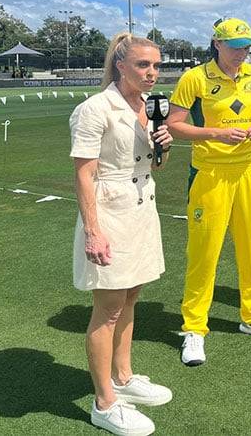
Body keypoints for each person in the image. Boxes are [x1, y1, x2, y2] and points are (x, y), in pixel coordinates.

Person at [167, 18, 251, 367]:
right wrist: (215, 134)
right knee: (205, 252)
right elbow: (175, 126)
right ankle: (194, 327)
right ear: (217, 44)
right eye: (235, 46)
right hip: (211, 174)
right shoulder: (195, 78)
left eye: (246, 47)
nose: (242, 53)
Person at [70, 32, 174, 435]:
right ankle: (104, 403)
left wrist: (163, 145)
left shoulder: (148, 107)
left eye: (157, 66)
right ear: (121, 65)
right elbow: (83, 172)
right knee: (108, 307)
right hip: (109, 211)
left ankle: (123, 377)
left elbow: (154, 165)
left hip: (142, 206)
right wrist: (93, 231)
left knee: (132, 293)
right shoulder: (96, 108)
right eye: (143, 65)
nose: (152, 74)